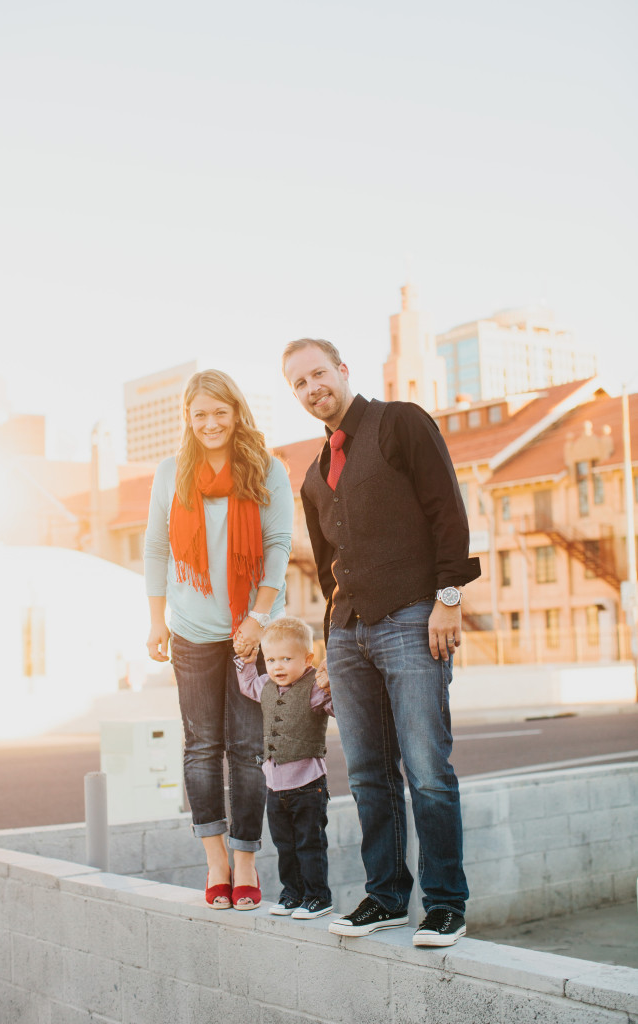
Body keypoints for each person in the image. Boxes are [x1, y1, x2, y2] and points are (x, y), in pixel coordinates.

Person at [282, 338, 481, 945]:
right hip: (347, 634)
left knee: (426, 769)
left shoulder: (399, 422)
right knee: (368, 774)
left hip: (412, 618)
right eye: (299, 383)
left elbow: (447, 509)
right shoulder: (315, 474)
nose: (313, 387)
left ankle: (445, 903)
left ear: (343, 371)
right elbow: (325, 566)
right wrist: (329, 642)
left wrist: (448, 600)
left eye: (319, 373)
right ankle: (387, 894)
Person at [144, 369, 293, 910]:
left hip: (252, 632)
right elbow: (156, 549)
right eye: (199, 413)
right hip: (189, 631)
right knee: (202, 747)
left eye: (219, 411)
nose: (210, 423)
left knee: (249, 750)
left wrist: (257, 618)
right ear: (188, 416)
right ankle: (216, 862)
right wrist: (157, 619)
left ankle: (247, 859)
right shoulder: (171, 473)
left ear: (236, 412)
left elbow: (277, 545)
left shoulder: (267, 469)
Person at [234, 616, 334, 920]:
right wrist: (247, 660)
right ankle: (292, 894)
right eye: (272, 659)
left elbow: (337, 706)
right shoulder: (265, 684)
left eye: (287, 659)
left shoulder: (315, 688)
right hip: (276, 788)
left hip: (308, 785)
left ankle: (317, 897)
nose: (278, 666)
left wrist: (335, 681)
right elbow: (249, 684)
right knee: (285, 845)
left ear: (308, 660)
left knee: (310, 844)